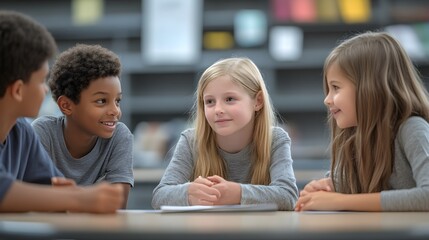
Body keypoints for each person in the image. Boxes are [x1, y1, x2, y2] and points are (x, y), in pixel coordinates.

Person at [0, 10, 123, 213]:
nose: (46, 89)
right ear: (18, 90)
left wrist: (66, 195)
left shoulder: (22, 132)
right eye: (41, 81)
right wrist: (79, 199)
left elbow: (53, 186)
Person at [295, 31, 429, 212]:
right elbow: (352, 183)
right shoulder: (354, 134)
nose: (327, 99)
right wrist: (328, 185)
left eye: (336, 87)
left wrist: (338, 201)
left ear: (371, 88)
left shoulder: (412, 129)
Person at [152, 57, 299, 210]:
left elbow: (288, 196)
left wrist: (238, 193)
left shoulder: (275, 140)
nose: (218, 110)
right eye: (209, 101)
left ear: (258, 101)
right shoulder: (191, 141)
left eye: (229, 99)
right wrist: (188, 193)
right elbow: (159, 196)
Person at [32, 44, 134, 209]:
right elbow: (37, 201)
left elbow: (117, 202)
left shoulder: (120, 136)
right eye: (101, 101)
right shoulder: (43, 133)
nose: (115, 111)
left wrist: (62, 196)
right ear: (66, 105)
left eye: (118, 101)